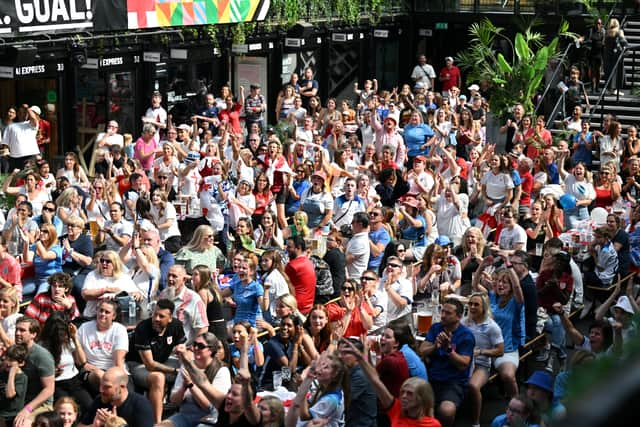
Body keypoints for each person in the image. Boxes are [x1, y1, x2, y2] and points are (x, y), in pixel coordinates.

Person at [340, 338, 441, 427]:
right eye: (402, 392)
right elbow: (375, 381)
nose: (404, 396)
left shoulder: (432, 424)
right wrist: (361, 358)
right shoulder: (397, 409)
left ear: (421, 398)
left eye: (409, 394)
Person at [127, 299, 186, 423]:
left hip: (163, 361)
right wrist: (175, 371)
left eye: (161, 316)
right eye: (155, 314)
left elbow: (183, 348)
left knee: (191, 368)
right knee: (158, 377)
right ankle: (157, 422)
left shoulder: (176, 325)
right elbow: (150, 364)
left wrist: (184, 361)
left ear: (170, 318)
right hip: (138, 365)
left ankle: (186, 412)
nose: (156, 319)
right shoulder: (143, 328)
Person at [419, 298, 475, 427]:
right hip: (432, 378)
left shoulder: (466, 335)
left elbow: (464, 364)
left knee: (446, 411)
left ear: (459, 316)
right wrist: (435, 346)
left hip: (453, 382)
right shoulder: (436, 328)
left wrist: (448, 350)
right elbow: (422, 350)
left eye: (448, 313)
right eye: (442, 311)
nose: (443, 315)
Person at [164, 333, 232, 427]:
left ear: (211, 350)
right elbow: (174, 401)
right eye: (194, 344)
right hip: (185, 416)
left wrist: (191, 385)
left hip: (209, 419)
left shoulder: (221, 371)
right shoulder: (187, 365)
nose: (195, 348)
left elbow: (209, 407)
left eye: (200, 346)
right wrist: (183, 387)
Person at [463, 292, 504, 427]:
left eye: (476, 304)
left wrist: (481, 352)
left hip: (482, 364)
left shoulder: (492, 327)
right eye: (470, 304)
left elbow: (500, 350)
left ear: (484, 308)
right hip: (464, 359)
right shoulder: (465, 322)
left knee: (473, 386)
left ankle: (476, 422)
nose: (472, 307)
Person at [39, 312, 93, 413]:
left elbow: (82, 362)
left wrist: (75, 338)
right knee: (66, 410)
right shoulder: (43, 346)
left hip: (74, 381)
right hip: (57, 384)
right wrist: (50, 371)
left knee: (89, 406)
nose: (61, 337)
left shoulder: (69, 341)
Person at [77, 300, 129, 392]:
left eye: (107, 312)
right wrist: (86, 366)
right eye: (101, 310)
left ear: (114, 316)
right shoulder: (84, 328)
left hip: (115, 370)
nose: (102, 314)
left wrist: (118, 380)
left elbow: (118, 363)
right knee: (99, 375)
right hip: (92, 372)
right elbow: (78, 357)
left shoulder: (119, 330)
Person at [13, 316, 55, 427]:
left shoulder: (42, 356)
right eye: (16, 329)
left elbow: (49, 389)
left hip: (40, 404)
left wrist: (28, 409)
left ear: (33, 334)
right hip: (18, 400)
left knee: (21, 424)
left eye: (22, 330)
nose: (17, 333)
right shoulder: (14, 351)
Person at [285, 353, 347, 427]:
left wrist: (303, 386)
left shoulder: (332, 399)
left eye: (326, 367)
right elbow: (308, 404)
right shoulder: (323, 388)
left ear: (335, 374)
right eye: (321, 365)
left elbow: (304, 416)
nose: (320, 369)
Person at [79, 367, 153, 427]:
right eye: (101, 385)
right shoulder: (100, 400)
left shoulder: (141, 405)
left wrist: (117, 425)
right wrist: (94, 425)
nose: (101, 390)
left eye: (107, 387)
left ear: (122, 387)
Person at [81, 250, 142, 318]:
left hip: (118, 318)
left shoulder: (124, 277)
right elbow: (85, 294)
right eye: (102, 260)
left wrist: (136, 295)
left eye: (108, 261)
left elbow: (136, 293)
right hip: (92, 316)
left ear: (115, 264)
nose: (104, 263)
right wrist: (105, 290)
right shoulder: (93, 275)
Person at [159, 265, 208, 341]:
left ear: (184, 279)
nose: (170, 279)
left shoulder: (194, 299)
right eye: (168, 275)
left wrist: (192, 348)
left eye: (174, 276)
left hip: (183, 348)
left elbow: (203, 328)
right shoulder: (163, 295)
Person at [336, 338, 377, 427]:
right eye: (338, 352)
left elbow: (341, 400)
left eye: (345, 353)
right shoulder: (348, 370)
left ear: (358, 355)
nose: (339, 356)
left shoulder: (360, 375)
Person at [285, 236, 317, 315]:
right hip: (309, 306)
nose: (286, 249)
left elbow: (284, 285)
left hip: (296, 308)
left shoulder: (292, 265)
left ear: (298, 248)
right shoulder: (308, 261)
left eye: (289, 247)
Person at [0, 343, 28, 427]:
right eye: (7, 358)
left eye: (12, 360)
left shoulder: (21, 378)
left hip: (10, 416)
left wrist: (12, 373)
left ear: (21, 363)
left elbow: (10, 394)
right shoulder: (3, 372)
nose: (8, 362)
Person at [4, 105, 39, 170]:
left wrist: (28, 109)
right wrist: (7, 156)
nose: (22, 114)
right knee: (16, 178)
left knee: (30, 177)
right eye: (20, 112)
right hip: (14, 158)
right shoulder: (10, 126)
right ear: (17, 114)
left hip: (30, 156)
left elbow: (33, 118)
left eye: (24, 112)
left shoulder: (31, 124)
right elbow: (5, 144)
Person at [346, 212, 371, 281]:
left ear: (360, 225)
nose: (351, 224)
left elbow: (346, 260)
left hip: (354, 280)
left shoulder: (361, 242)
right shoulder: (357, 237)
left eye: (353, 222)